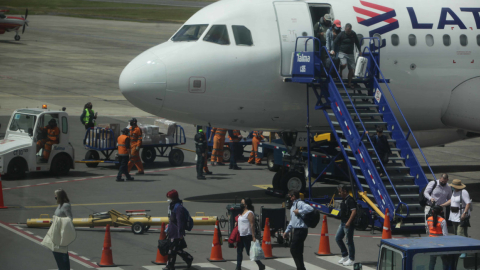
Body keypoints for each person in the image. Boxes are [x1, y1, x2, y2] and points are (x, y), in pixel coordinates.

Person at [283, 190, 314, 270]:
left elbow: (310, 209)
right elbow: (292, 221)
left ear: (294, 196)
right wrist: (287, 231)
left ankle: (300, 268)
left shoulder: (299, 203)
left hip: (301, 230)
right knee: (299, 251)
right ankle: (301, 268)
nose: (289, 198)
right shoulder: (292, 206)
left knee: (293, 249)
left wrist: (299, 211)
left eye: (290, 196)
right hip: (297, 230)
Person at [165, 190, 193, 270]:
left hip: (176, 233)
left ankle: (170, 266)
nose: (168, 199)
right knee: (176, 249)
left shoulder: (178, 207)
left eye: (169, 197)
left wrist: (180, 234)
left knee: (172, 250)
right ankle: (188, 258)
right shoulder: (173, 205)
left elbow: (180, 221)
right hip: (172, 231)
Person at [235, 197, 265, 270]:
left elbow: (252, 225)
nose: (241, 204)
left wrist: (253, 236)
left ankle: (260, 265)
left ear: (246, 205)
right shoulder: (242, 213)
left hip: (247, 235)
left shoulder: (249, 213)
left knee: (249, 252)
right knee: (239, 251)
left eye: (242, 203)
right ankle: (238, 267)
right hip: (240, 235)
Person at [334, 23, 361, 89]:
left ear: (351, 29)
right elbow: (335, 42)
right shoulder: (342, 34)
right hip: (342, 52)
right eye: (347, 31)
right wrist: (333, 50)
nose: (348, 32)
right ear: (345, 29)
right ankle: (340, 70)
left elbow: (357, 42)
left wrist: (359, 50)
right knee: (344, 64)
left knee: (351, 69)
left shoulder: (353, 34)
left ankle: (349, 84)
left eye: (349, 31)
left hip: (350, 53)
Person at [336, 184, 356, 266]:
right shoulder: (344, 199)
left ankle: (351, 259)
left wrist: (348, 222)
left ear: (345, 191)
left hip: (348, 224)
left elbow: (354, 212)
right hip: (343, 223)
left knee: (349, 241)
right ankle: (345, 255)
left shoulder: (350, 200)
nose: (339, 193)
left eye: (340, 192)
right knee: (338, 238)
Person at [53, 189, 73, 270]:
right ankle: (61, 268)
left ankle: (64, 268)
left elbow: (70, 218)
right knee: (56, 252)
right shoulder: (60, 205)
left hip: (62, 233)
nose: (55, 197)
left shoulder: (65, 205)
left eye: (56, 196)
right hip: (57, 231)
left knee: (62, 252)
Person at [427, 206, 450, 270]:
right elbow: (445, 234)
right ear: (441, 212)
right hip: (441, 244)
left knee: (432, 261)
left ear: (432, 211)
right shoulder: (442, 220)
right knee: (445, 261)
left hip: (431, 243)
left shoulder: (428, 219)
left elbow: (427, 231)